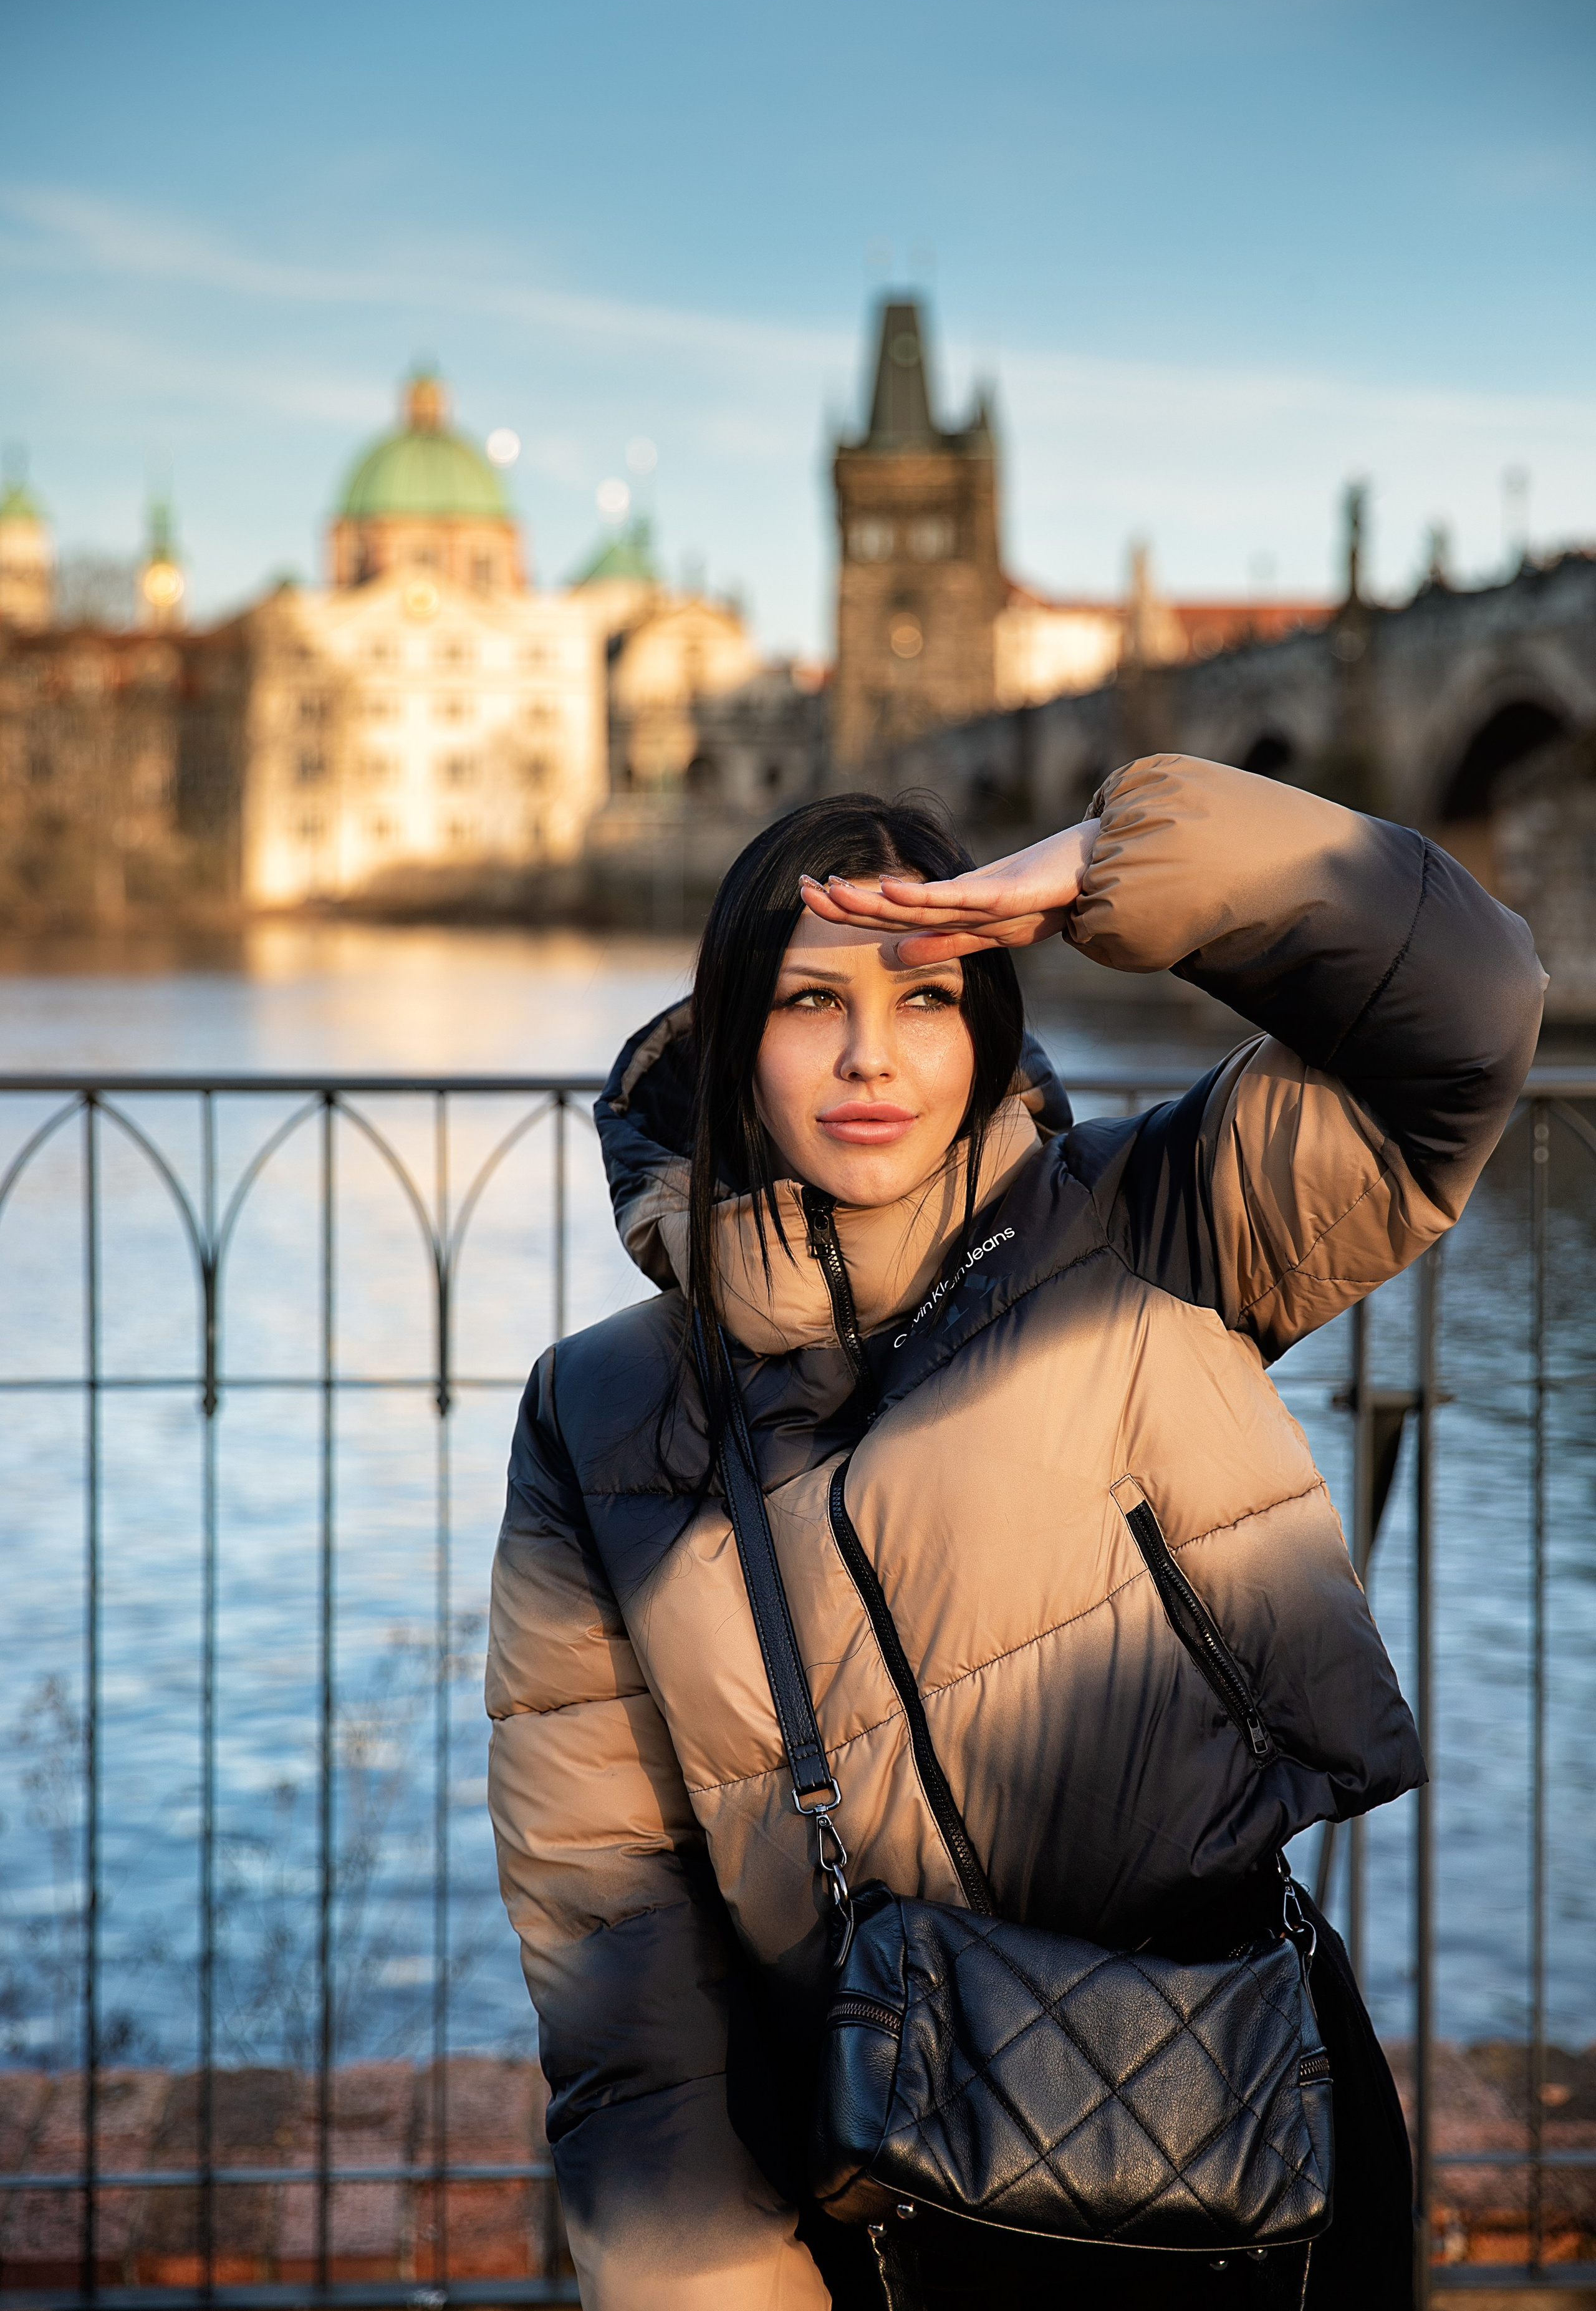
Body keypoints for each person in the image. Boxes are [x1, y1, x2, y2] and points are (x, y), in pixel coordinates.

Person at [486, 754, 1544, 2310]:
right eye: (806, 1002)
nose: (870, 1056)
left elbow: (1466, 1008)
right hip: (889, 2190)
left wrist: (1115, 865)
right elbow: (613, 1940)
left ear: (984, 1023)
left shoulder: (1145, 1221)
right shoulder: (600, 1413)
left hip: (1244, 2121)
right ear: (728, 1046)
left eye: (924, 996)